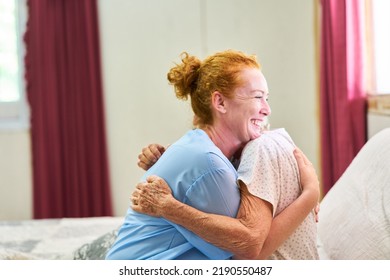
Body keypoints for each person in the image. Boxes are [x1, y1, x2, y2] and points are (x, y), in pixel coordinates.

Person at [105, 50, 319, 260]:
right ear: (220, 103)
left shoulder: (205, 149)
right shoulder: (209, 162)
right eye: (257, 97)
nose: (267, 109)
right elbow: (249, 247)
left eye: (267, 98)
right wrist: (310, 194)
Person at [133, 127, 320, 259]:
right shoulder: (221, 159)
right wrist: (166, 164)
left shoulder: (261, 147)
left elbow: (250, 249)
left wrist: (310, 195)